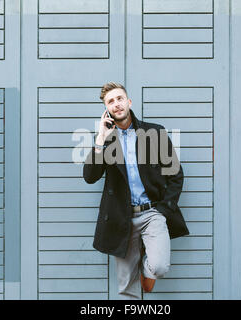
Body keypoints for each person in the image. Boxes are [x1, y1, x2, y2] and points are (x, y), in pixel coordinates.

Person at [83, 82, 189, 299]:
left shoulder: (154, 132)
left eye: (119, 98)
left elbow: (176, 175)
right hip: (121, 216)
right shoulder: (106, 140)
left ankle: (145, 269)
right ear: (107, 110)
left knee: (159, 266)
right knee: (127, 289)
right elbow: (90, 177)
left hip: (152, 213)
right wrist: (100, 139)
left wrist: (164, 210)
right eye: (110, 101)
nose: (116, 104)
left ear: (128, 102)